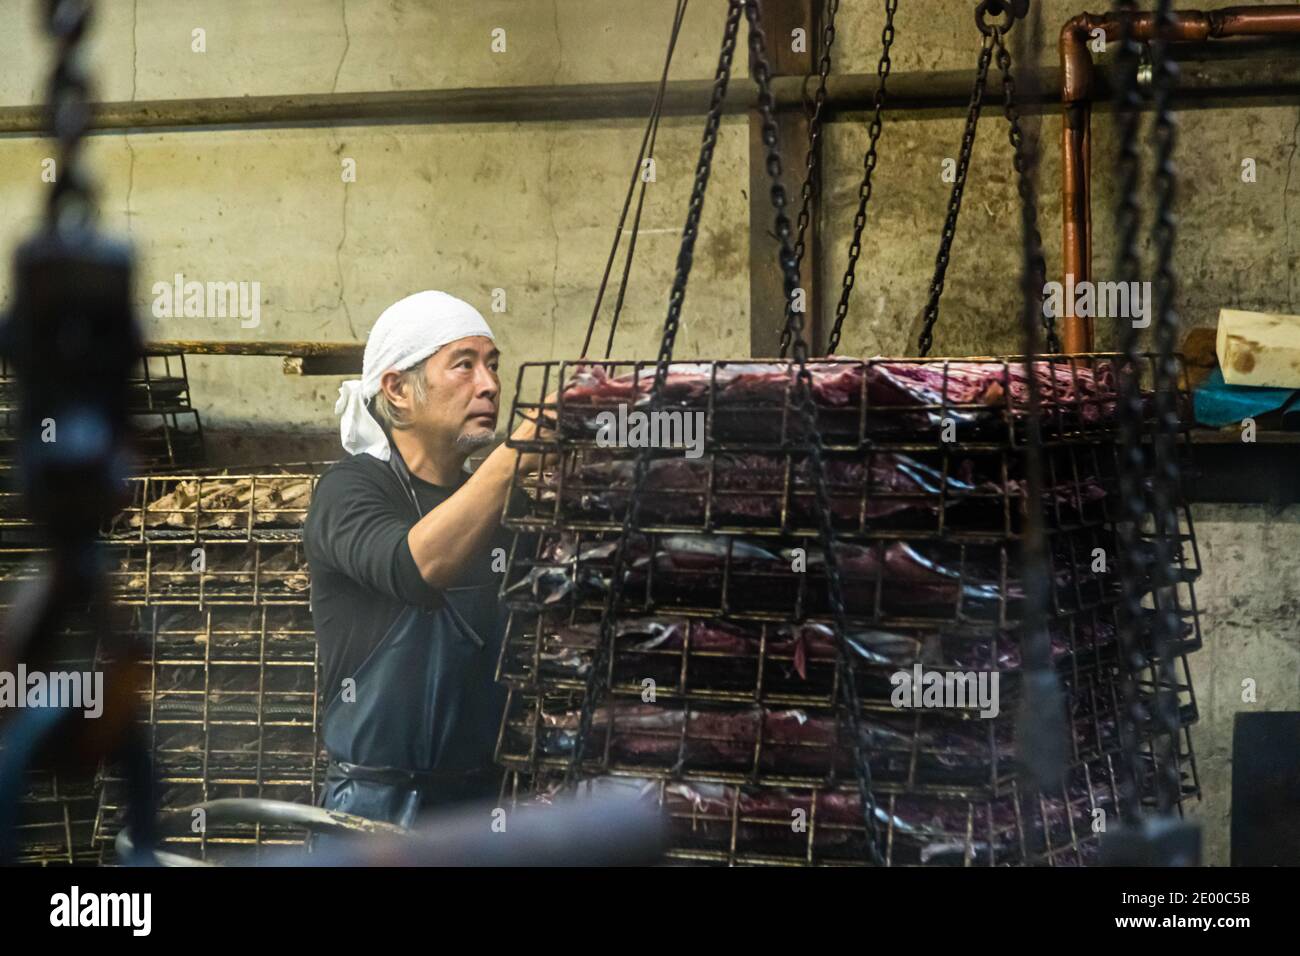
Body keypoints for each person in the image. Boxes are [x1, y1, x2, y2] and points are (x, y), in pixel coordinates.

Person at [304, 290, 543, 828]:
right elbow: (415, 569)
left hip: (486, 806)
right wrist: (515, 457)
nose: (490, 384)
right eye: (464, 365)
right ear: (398, 389)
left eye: (493, 365)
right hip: (377, 817)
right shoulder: (350, 491)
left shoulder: (507, 506)